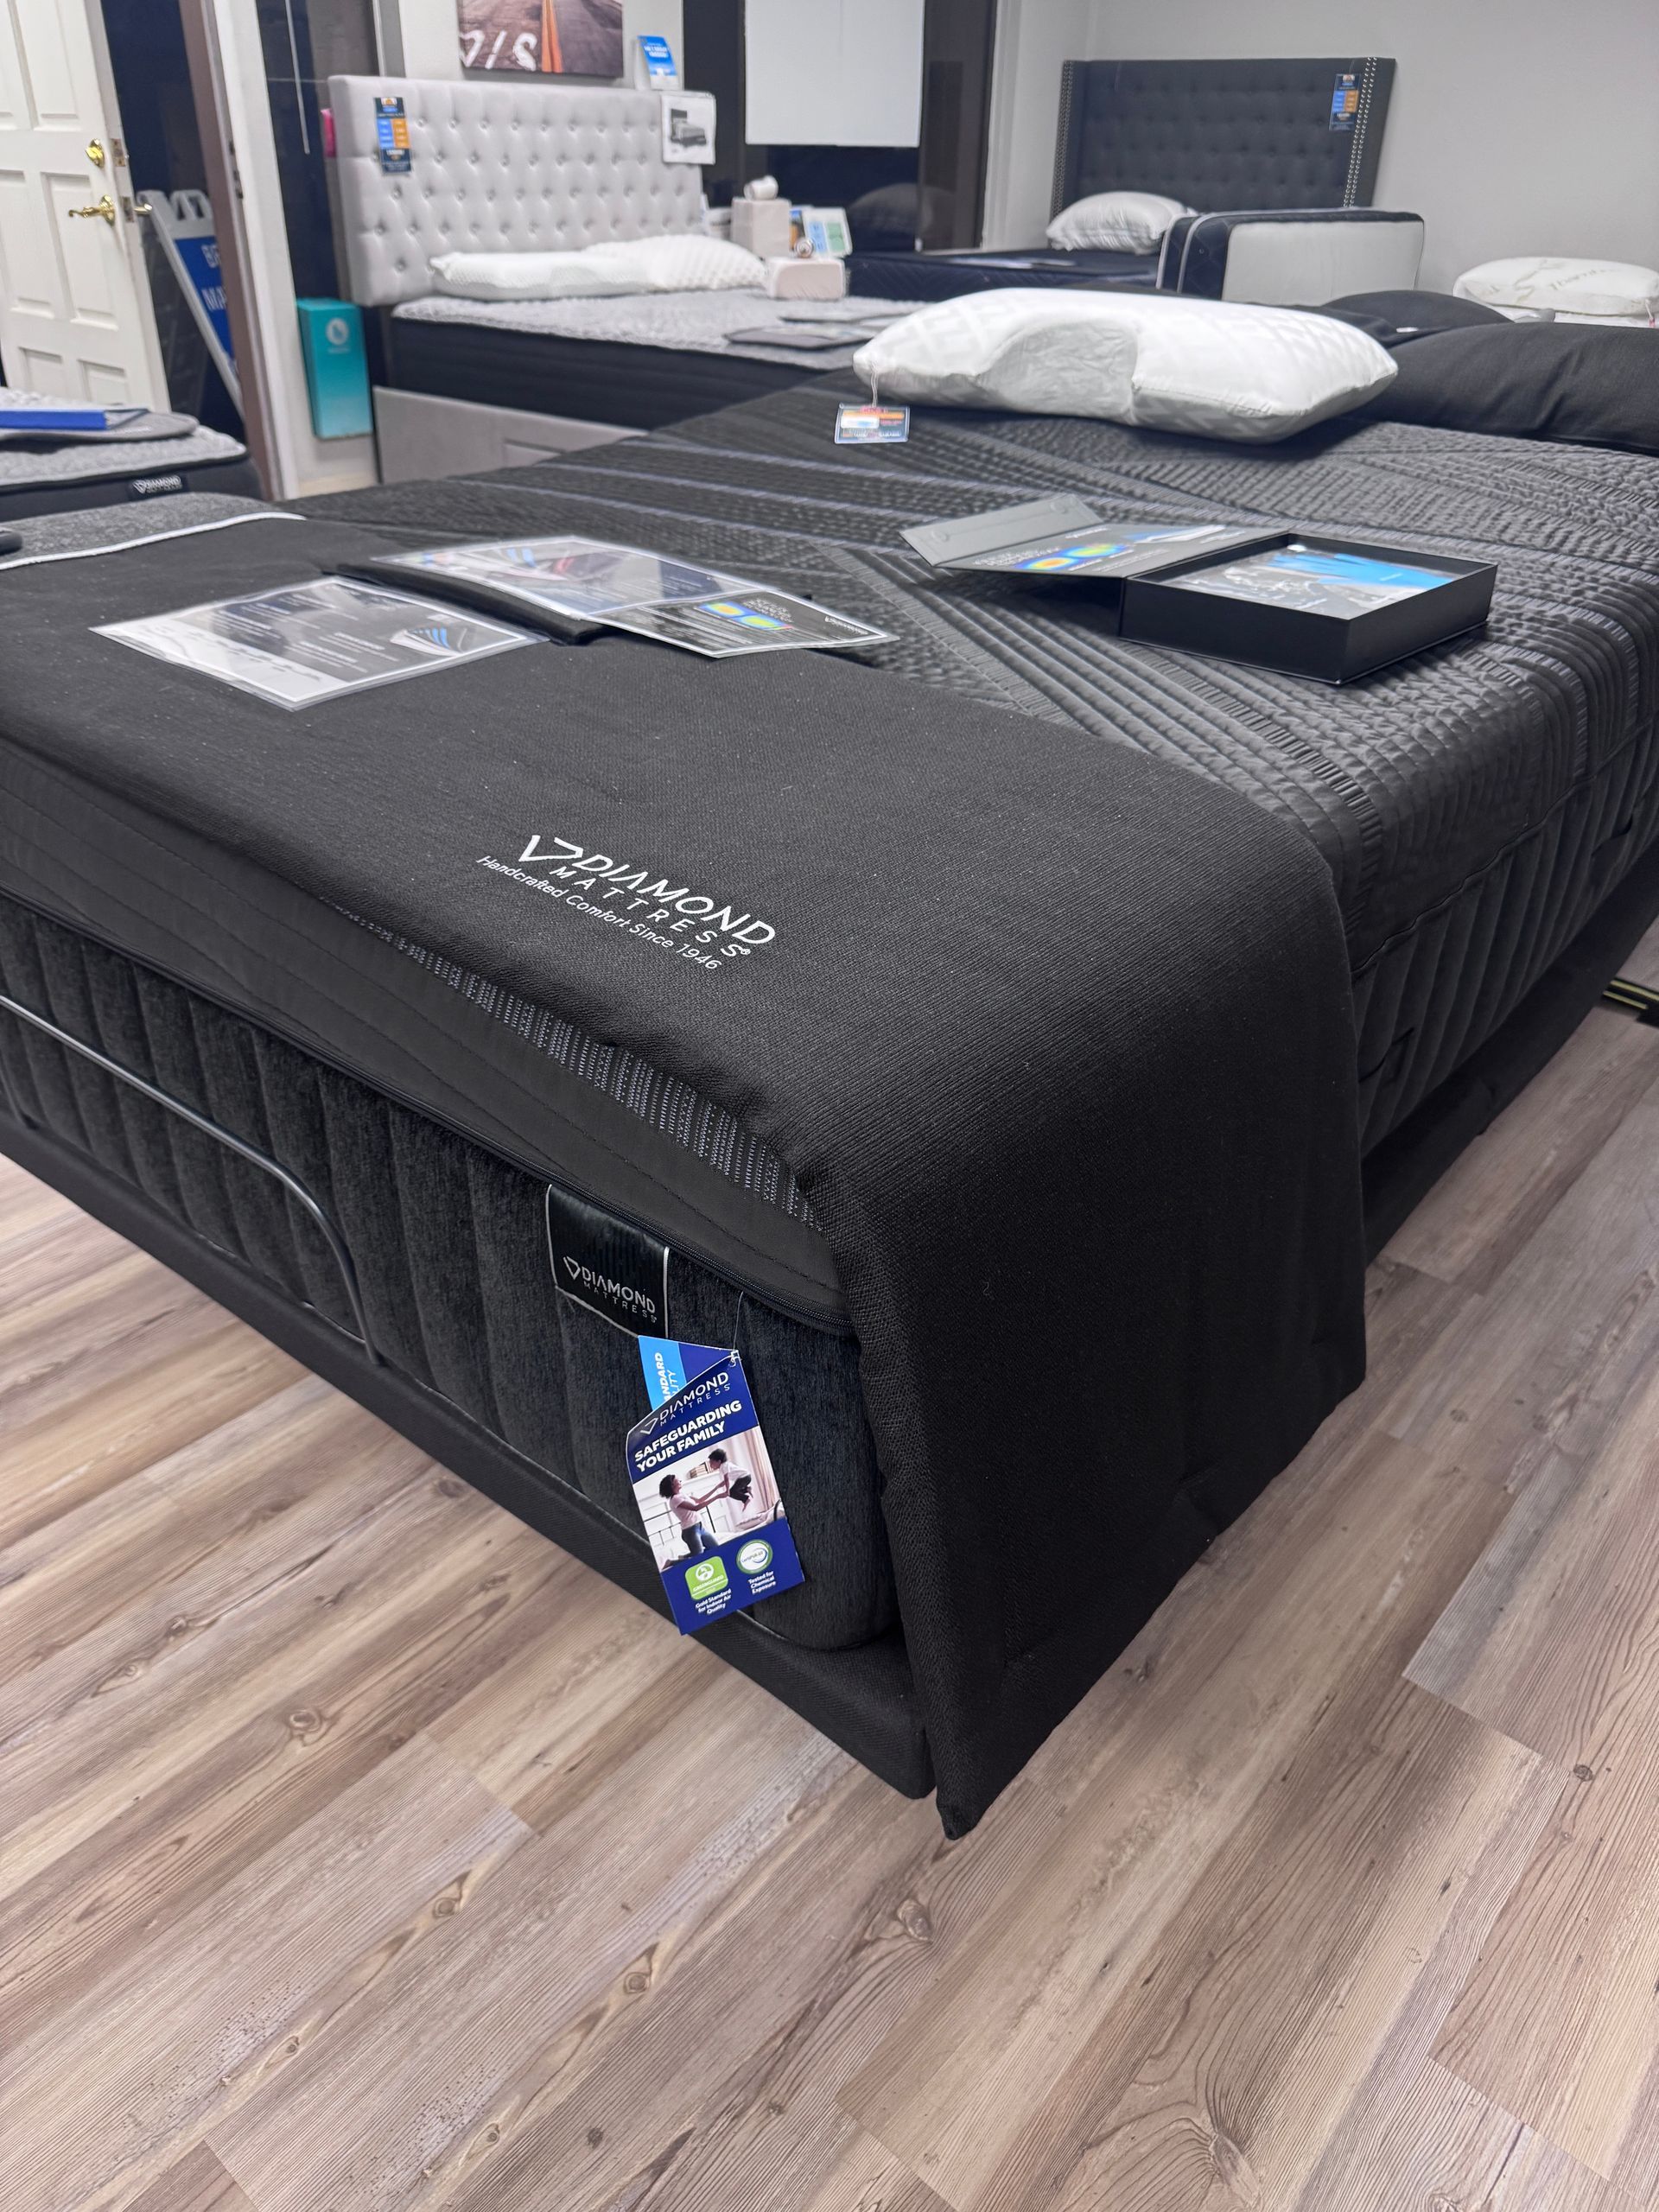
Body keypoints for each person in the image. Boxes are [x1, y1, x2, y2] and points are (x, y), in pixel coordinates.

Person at [658, 1451, 732, 1556]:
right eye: (678, 1481)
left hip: (700, 1527)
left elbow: (700, 1500)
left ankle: (684, 1556)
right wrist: (717, 1497)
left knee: (715, 1548)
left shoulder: (682, 1495)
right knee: (698, 1555)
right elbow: (696, 1508)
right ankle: (673, 1562)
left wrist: (716, 1488)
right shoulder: (675, 1499)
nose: (680, 1481)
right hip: (690, 1531)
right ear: (671, 1485)